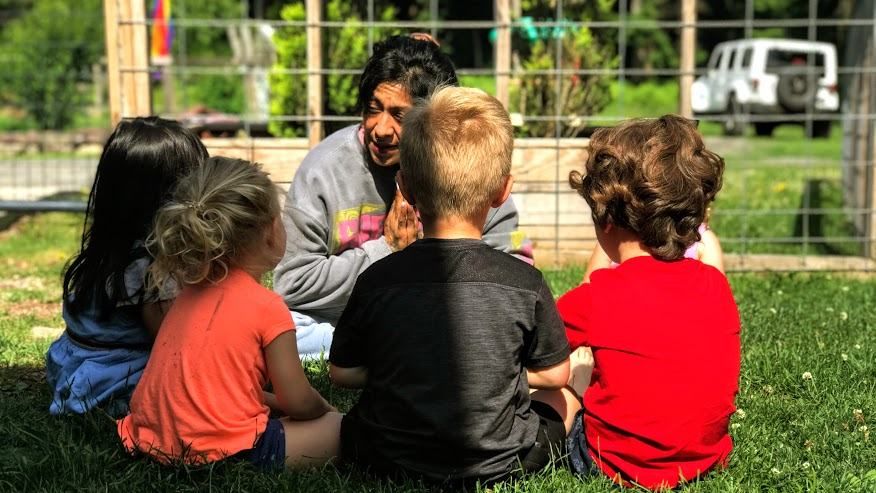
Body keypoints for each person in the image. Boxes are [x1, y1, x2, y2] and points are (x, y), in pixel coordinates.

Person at [328, 87, 575, 486]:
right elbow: (555, 374)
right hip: (501, 459)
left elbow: (341, 372)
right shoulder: (524, 282)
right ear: (502, 191)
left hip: (386, 454)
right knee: (565, 399)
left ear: (404, 187)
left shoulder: (376, 280)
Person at [273, 35, 533, 359]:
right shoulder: (323, 170)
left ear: (433, 119)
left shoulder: (469, 166)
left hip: (447, 318)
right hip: (349, 319)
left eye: (400, 116)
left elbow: (514, 268)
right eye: (373, 109)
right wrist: (385, 251)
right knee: (281, 328)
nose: (381, 129)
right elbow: (292, 283)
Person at [117, 157, 341, 469]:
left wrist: (277, 406)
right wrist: (324, 408)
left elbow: (220, 390)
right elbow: (297, 401)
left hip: (153, 440)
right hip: (225, 451)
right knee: (343, 430)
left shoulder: (187, 294)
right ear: (271, 231)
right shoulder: (267, 306)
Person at [556, 115, 740, 489]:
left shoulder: (599, 294)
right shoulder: (715, 285)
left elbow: (530, 349)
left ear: (605, 221)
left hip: (614, 462)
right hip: (707, 458)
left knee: (556, 390)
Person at [45, 117, 208, 417]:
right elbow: (174, 343)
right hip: (111, 379)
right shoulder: (152, 267)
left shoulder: (113, 246)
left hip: (71, 363)